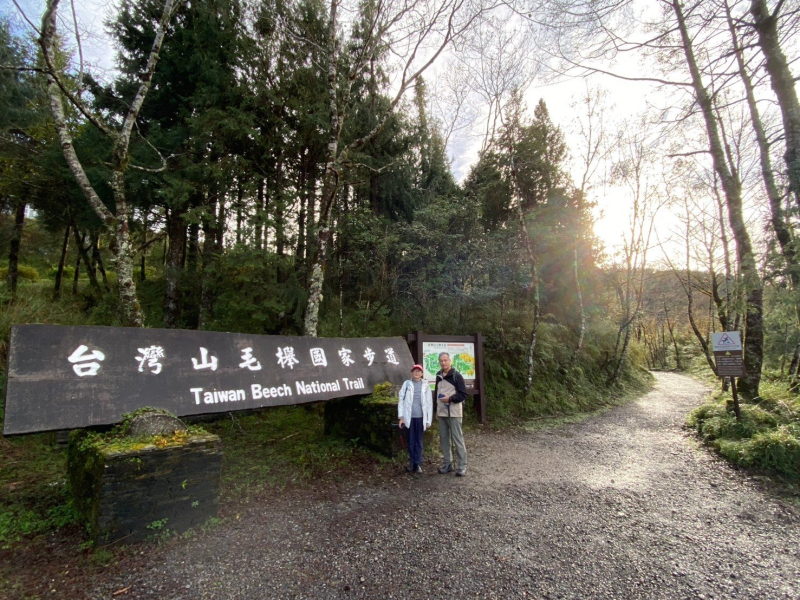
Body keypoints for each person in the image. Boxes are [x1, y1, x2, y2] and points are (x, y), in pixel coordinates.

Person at [434, 352, 468, 476]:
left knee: (457, 439)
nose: (443, 363)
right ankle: (447, 463)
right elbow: (436, 394)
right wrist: (435, 411)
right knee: (444, 439)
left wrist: (450, 399)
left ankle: (462, 466)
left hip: (454, 412)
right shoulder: (438, 375)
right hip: (442, 412)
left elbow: (463, 395)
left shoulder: (456, 376)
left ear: (450, 361)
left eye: (445, 360)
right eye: (441, 361)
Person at [398, 364, 433, 474]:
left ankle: (418, 464)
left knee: (419, 441)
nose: (417, 373)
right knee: (411, 441)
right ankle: (412, 463)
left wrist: (428, 420)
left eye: (419, 371)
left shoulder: (425, 386)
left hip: (421, 418)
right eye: (415, 371)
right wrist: (401, 417)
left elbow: (429, 404)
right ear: (411, 373)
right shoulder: (407, 384)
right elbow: (401, 400)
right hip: (409, 418)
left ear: (422, 373)